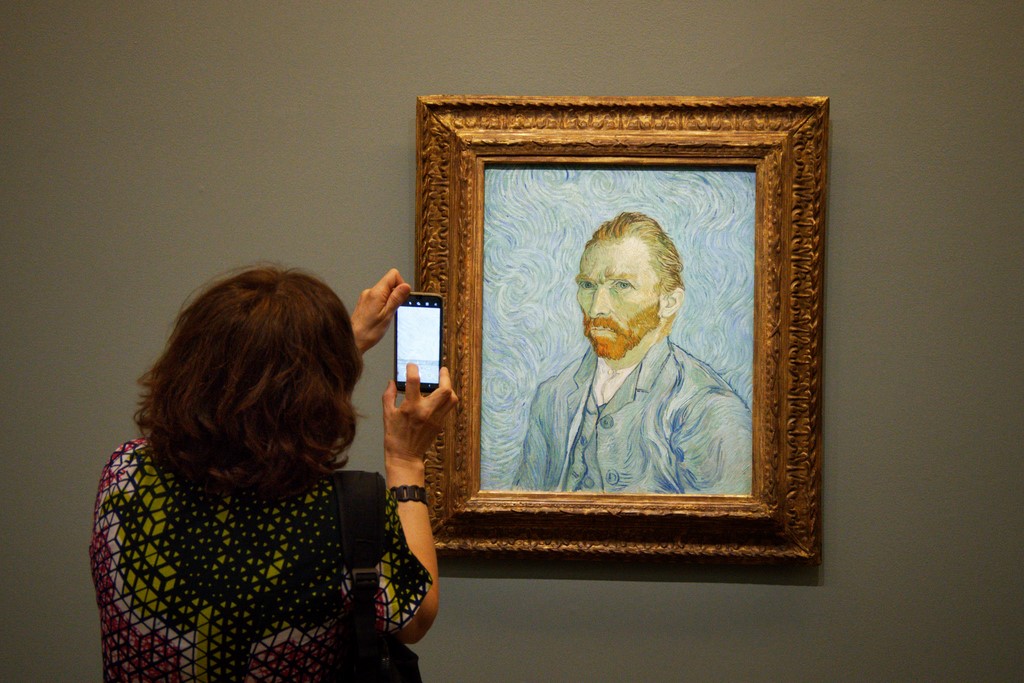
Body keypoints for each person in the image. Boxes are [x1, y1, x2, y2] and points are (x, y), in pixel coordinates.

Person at [89, 266, 457, 681]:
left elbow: (246, 394)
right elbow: (415, 619)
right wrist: (405, 460)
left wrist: (339, 348)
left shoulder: (124, 474)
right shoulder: (339, 519)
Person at [513, 212, 751, 495]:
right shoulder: (551, 397)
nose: (597, 308)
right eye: (588, 286)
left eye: (621, 286)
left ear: (669, 302)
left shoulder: (708, 408)